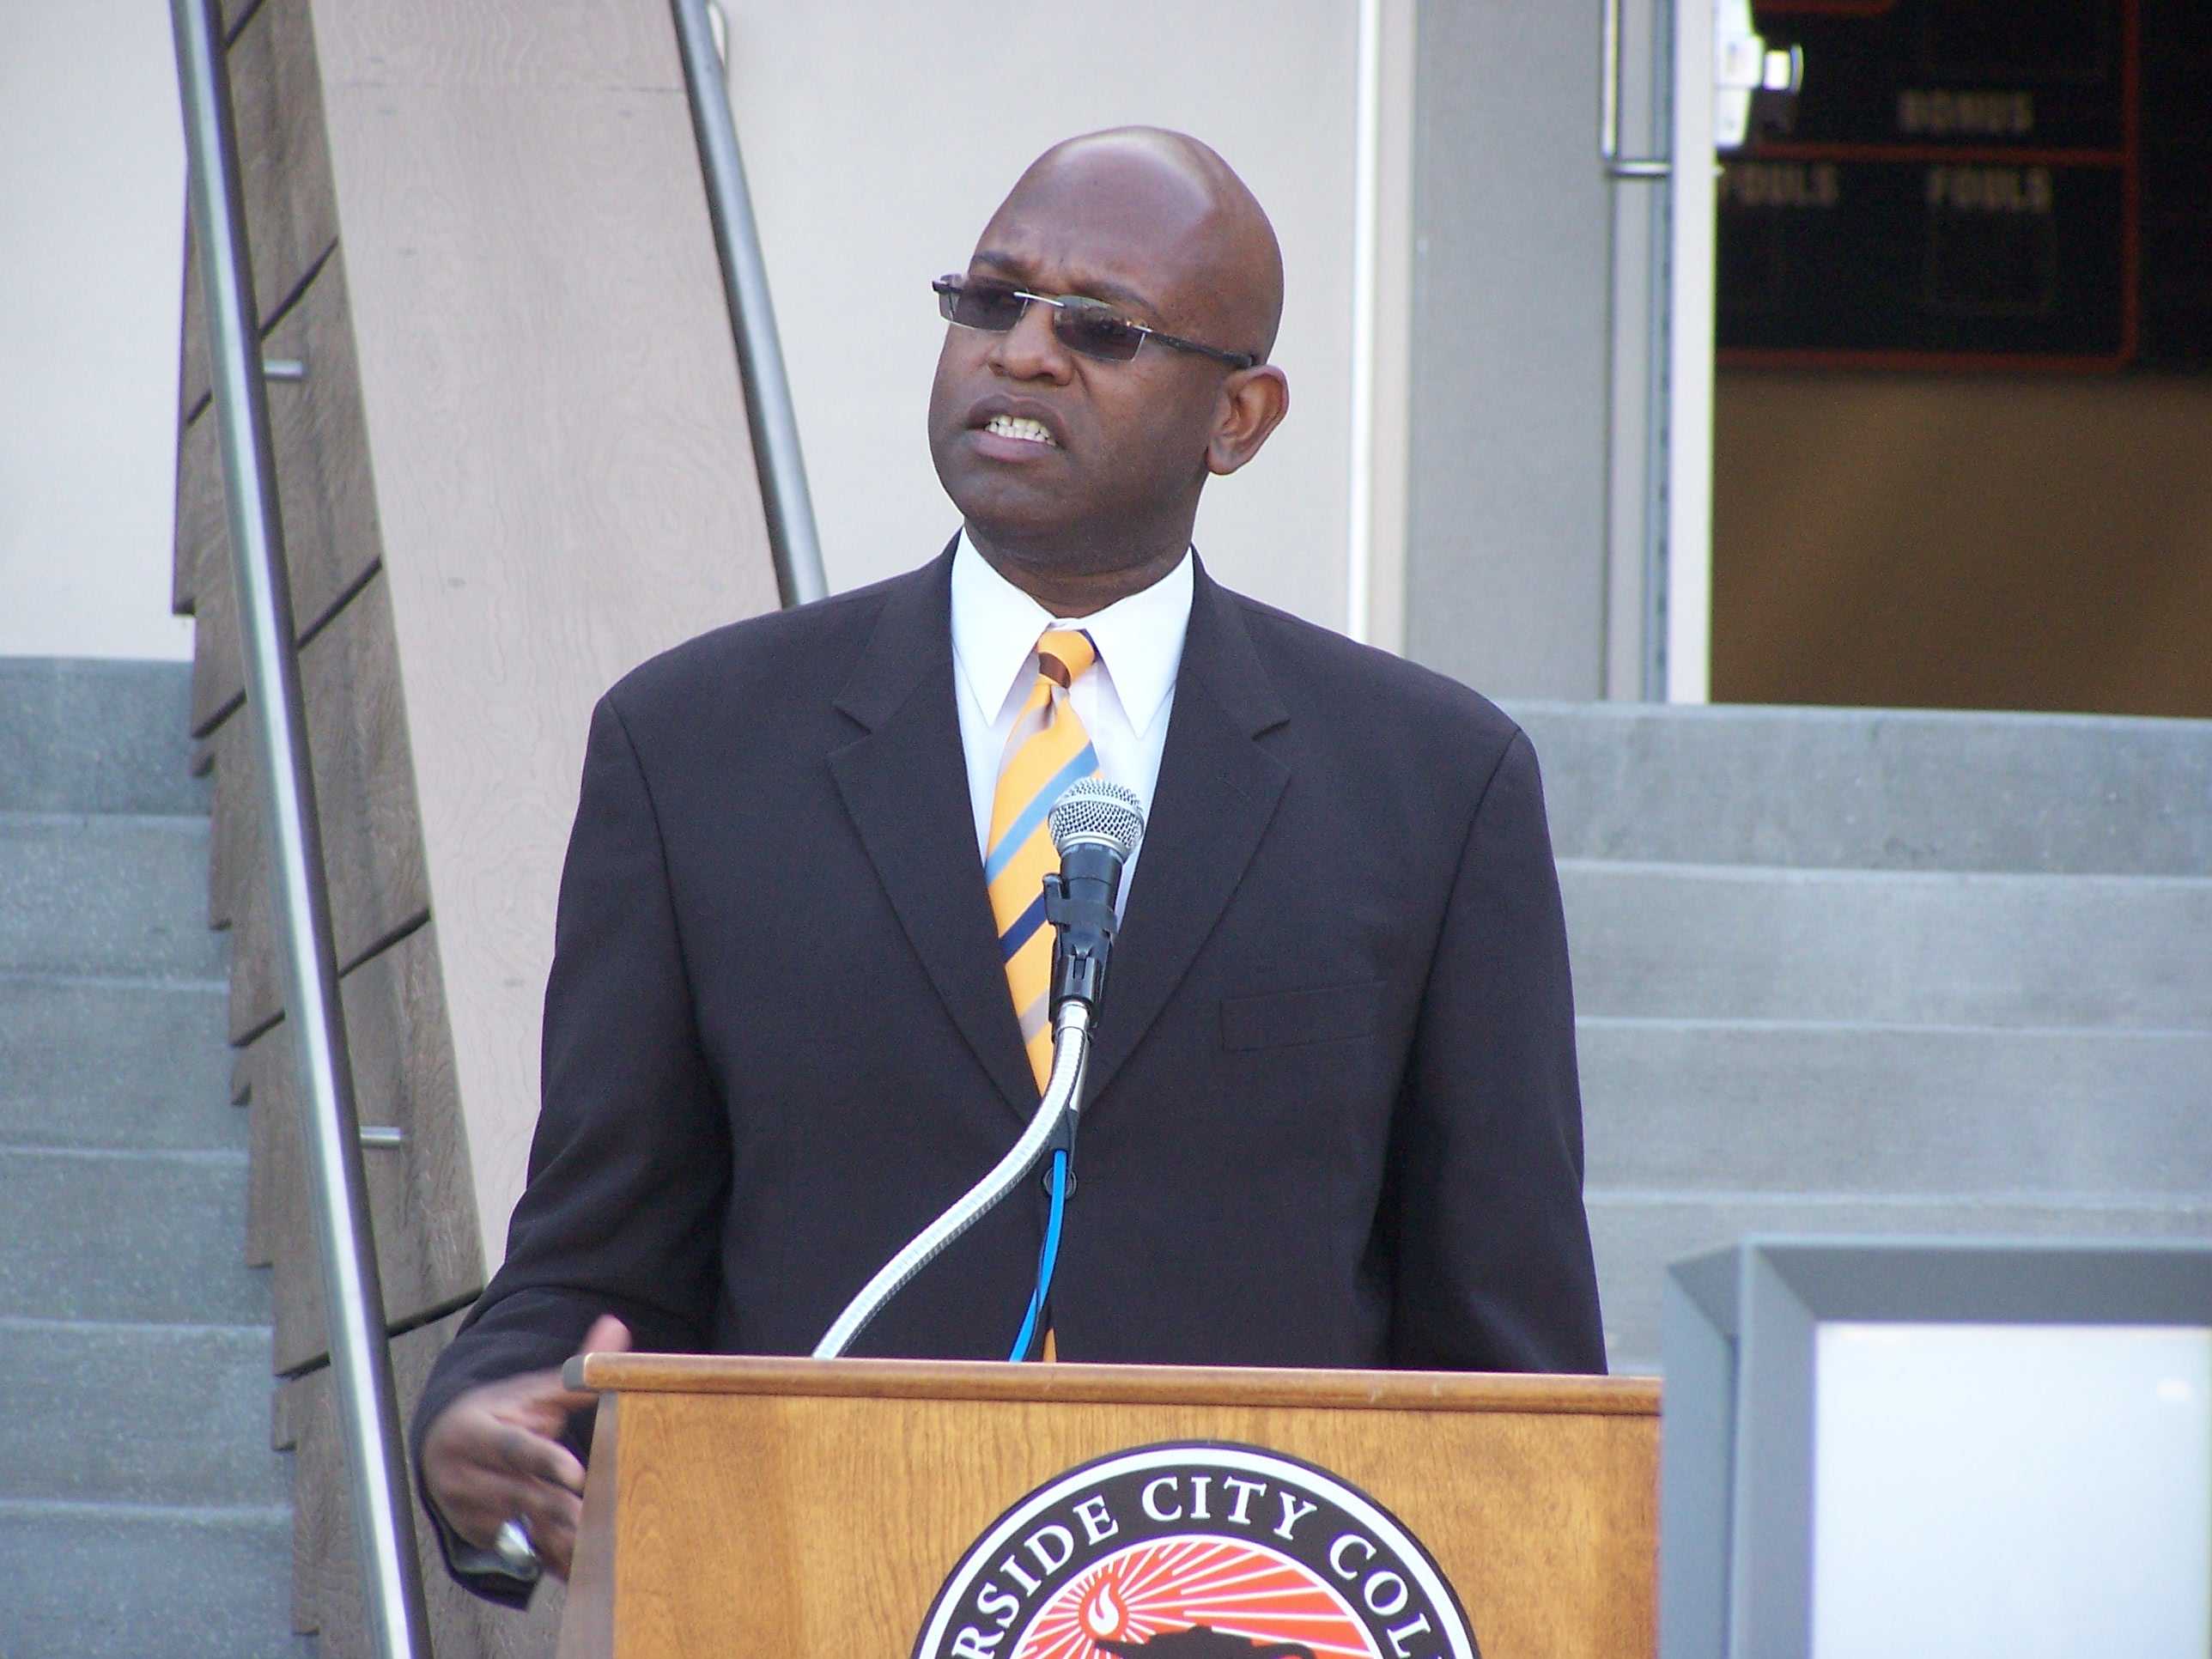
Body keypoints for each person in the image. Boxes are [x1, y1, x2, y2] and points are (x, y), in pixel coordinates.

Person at [412, 127, 1605, 1601]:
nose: (1026, 354)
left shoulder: (1434, 785)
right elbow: (598, 1252)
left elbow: (1511, 1344)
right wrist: (470, 1442)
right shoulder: (696, 746)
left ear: (1240, 416)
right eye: (991, 304)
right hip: (816, 1587)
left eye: (1101, 329)